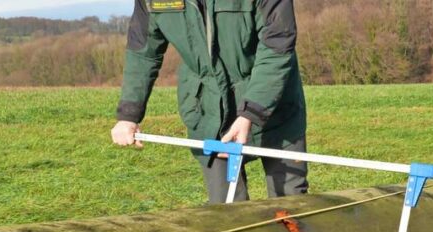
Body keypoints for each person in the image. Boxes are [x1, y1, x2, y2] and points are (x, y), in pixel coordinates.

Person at [111, 0, 309, 204]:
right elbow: (143, 53)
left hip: (275, 108)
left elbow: (278, 44)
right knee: (225, 211)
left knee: (291, 205)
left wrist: (251, 112)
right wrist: (128, 115)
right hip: (209, 113)